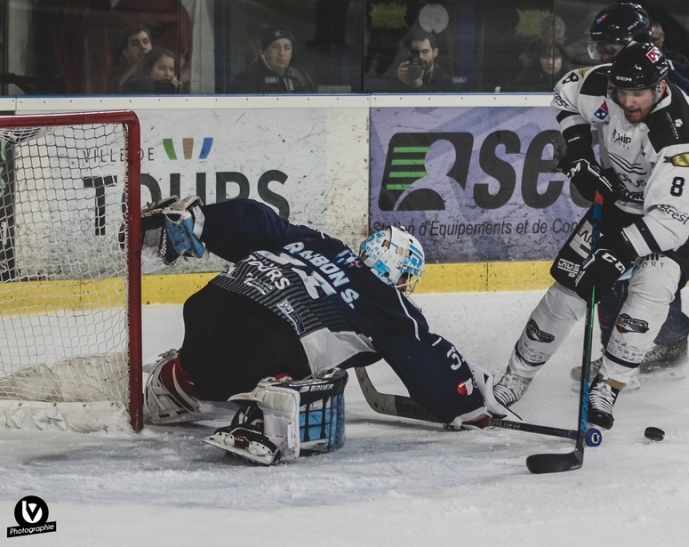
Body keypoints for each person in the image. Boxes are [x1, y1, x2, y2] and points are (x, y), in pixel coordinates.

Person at [140, 196, 507, 464]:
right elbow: (420, 350)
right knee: (318, 372)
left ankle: (177, 378)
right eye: (407, 278)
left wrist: (199, 221)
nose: (406, 288)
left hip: (206, 307)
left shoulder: (321, 243)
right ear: (397, 271)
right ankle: (268, 404)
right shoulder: (384, 301)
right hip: (264, 343)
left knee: (221, 350)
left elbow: (256, 219)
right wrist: (468, 401)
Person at [494, 42, 689, 431]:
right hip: (625, 201)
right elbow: (565, 93)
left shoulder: (679, 137)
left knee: (651, 287)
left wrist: (617, 252)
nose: (629, 102)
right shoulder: (607, 85)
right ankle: (515, 378)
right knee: (568, 289)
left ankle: (609, 385)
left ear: (661, 86)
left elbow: (671, 223)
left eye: (639, 94)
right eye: (623, 93)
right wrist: (582, 152)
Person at [533, 2, 689, 394]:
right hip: (636, 186)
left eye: (611, 48)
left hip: (680, 189)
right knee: (611, 261)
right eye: (600, 49)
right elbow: (574, 101)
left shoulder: (669, 81)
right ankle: (621, 351)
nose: (603, 57)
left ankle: (663, 348)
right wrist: (580, 153)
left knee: (654, 265)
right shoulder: (617, 80)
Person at [229, 26, 316, 93]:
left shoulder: (301, 77)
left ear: (292, 53)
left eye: (287, 48)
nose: (282, 53)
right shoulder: (246, 80)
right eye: (276, 47)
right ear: (264, 50)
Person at [108, 24, 153, 93]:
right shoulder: (119, 80)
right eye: (135, 43)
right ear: (125, 53)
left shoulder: (163, 73)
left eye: (145, 42)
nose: (143, 47)